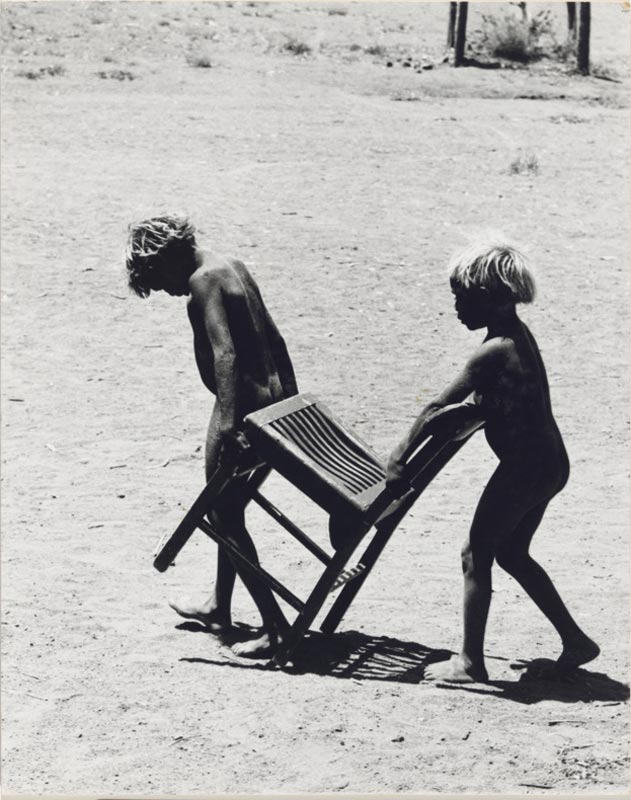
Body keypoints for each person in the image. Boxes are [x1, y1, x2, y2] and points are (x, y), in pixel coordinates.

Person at [386, 241, 599, 683]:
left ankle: (470, 662)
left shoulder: (493, 350)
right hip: (550, 463)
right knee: (512, 553)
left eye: (464, 297)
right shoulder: (515, 337)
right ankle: (576, 640)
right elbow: (503, 402)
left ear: (494, 297)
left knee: (476, 552)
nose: (457, 307)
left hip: (527, 468)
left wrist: (398, 457)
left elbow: (434, 407)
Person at [125, 214, 298, 658]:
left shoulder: (203, 282)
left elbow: (226, 355)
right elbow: (275, 340)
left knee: (223, 516)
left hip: (241, 407)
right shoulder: (231, 265)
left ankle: (275, 630)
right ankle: (220, 606)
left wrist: (228, 423)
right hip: (273, 403)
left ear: (166, 255)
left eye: (157, 277)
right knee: (230, 508)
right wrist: (289, 406)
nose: (165, 289)